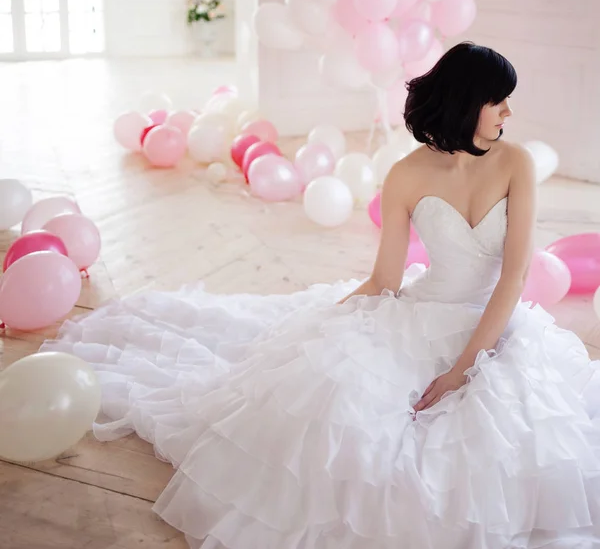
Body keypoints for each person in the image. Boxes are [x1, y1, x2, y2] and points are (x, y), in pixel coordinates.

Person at [42, 42, 600, 549]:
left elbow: (513, 276)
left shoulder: (515, 163)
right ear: (468, 101)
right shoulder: (407, 175)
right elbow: (385, 279)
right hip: (421, 313)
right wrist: (319, 329)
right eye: (499, 101)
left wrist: (462, 369)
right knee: (347, 417)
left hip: (493, 324)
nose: (509, 113)